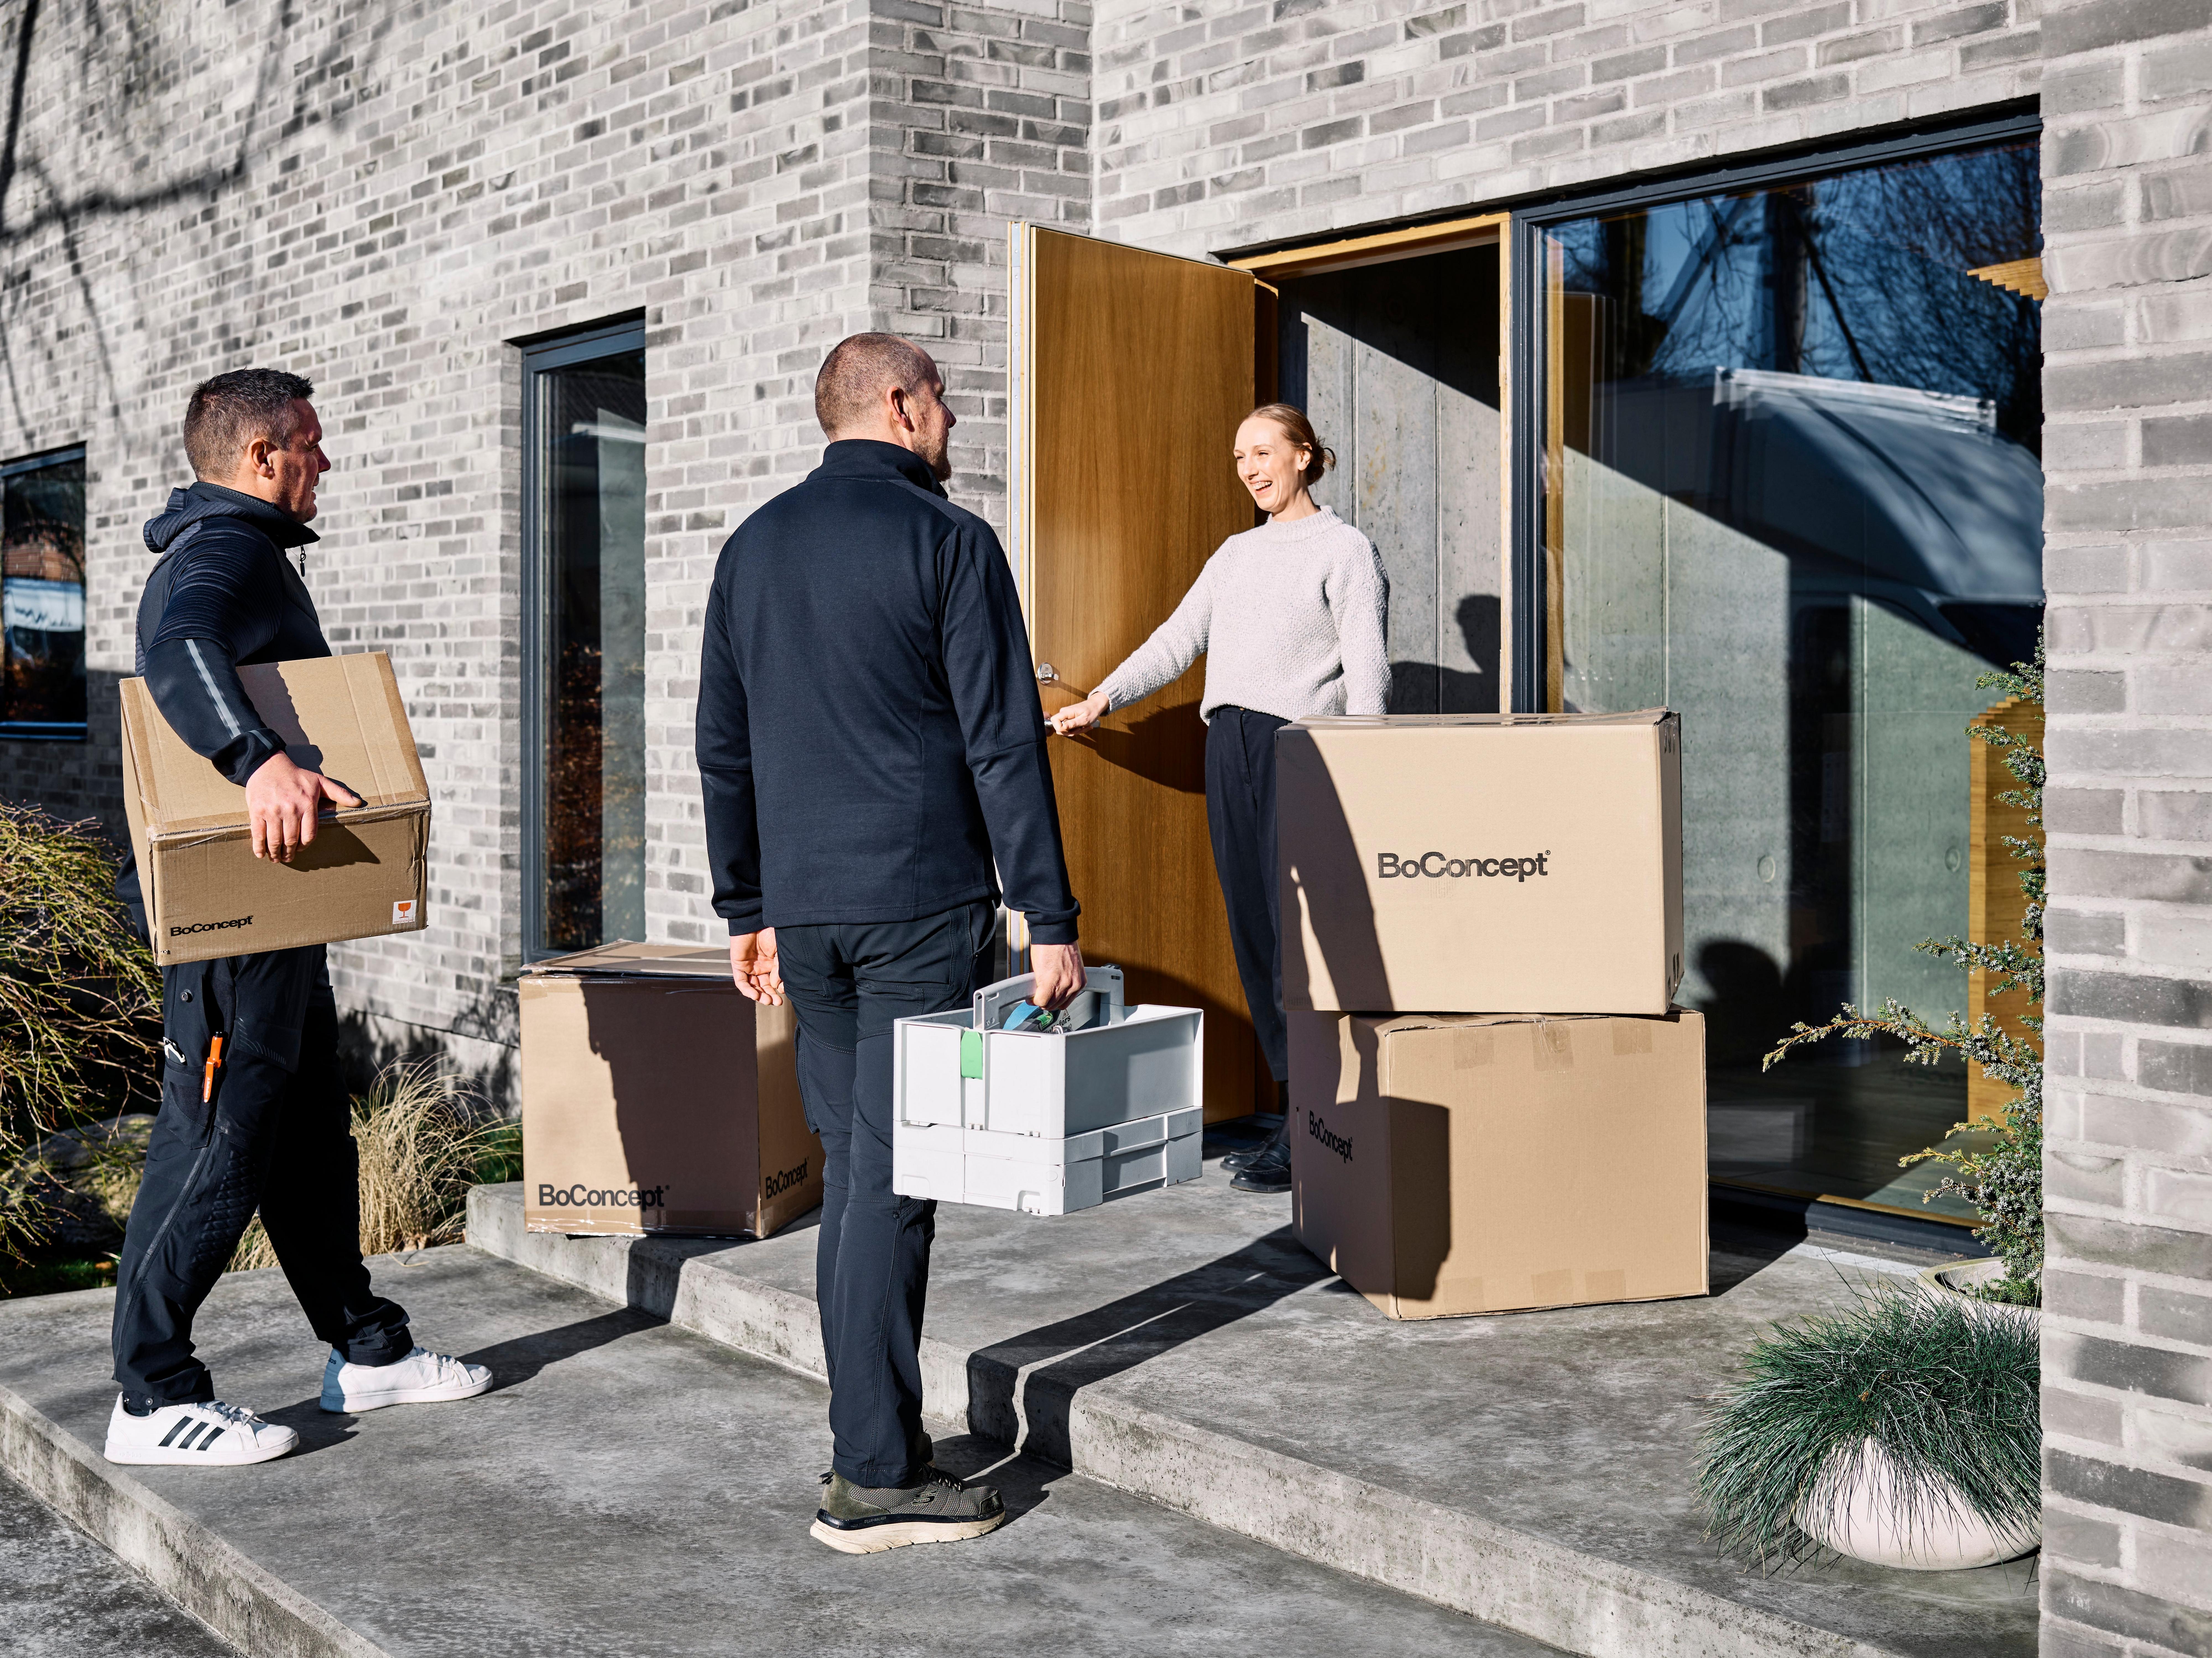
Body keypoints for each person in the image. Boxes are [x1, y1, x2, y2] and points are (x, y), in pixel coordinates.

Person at [697, 333, 1085, 1554]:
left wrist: (744, 907)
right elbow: (1001, 742)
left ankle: (880, 1447)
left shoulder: (752, 546)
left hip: (805, 918)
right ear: (902, 405)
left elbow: (723, 745)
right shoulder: (948, 542)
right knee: (886, 1186)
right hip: (917, 909)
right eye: (945, 404)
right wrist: (1051, 919)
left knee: (854, 1179)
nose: (953, 423)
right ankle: (871, 1473)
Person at [104, 370, 490, 1469]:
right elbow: (179, 650)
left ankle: (366, 1348)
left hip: (275, 920)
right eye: (310, 446)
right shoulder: (221, 557)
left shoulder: (247, 552)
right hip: (237, 930)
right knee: (216, 1141)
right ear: (261, 455)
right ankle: (150, 1394)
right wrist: (258, 758)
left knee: (305, 1137)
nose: (326, 464)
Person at [1051, 403, 1388, 1196]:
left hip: (1300, 752)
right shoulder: (1236, 554)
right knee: (1256, 936)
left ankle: (1323, 1122)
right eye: (1240, 457)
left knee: (1300, 942)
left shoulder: (1345, 550)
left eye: (1265, 452)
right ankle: (1299, 1117)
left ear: (1305, 456)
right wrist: (1102, 697)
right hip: (1228, 746)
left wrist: (1369, 764)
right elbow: (1178, 638)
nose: (1251, 468)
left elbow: (1368, 668)